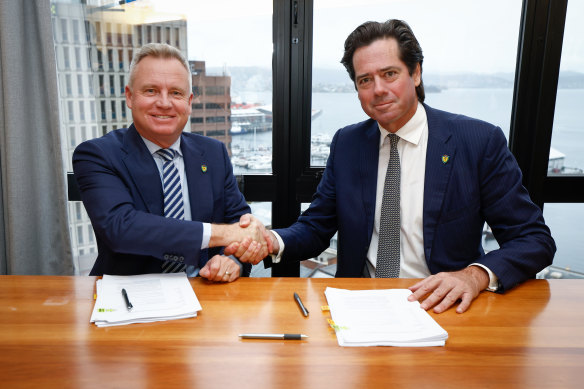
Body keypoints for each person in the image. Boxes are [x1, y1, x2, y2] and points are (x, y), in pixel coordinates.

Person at [229, 19, 555, 312]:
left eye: (389, 74)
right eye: (365, 80)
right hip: (360, 306)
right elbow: (316, 226)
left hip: (445, 308)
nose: (378, 90)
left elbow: (533, 239)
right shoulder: (348, 144)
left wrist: (474, 276)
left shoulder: (477, 142)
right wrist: (273, 241)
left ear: (415, 73)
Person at [73, 43, 269, 282]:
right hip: (128, 297)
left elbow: (239, 223)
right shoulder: (97, 154)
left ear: (189, 101)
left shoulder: (213, 152)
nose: (164, 103)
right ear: (129, 96)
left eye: (176, 93)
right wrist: (224, 234)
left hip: (205, 291)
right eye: (151, 91)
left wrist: (232, 261)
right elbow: (122, 228)